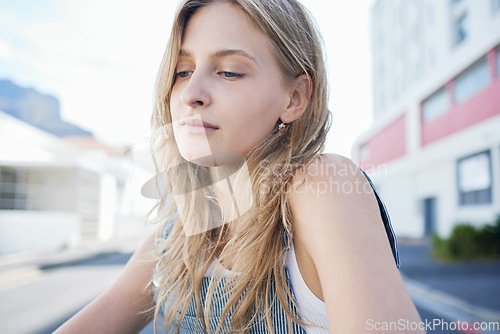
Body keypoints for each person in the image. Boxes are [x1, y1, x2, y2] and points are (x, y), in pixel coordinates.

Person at [55, 0, 424, 333]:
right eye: (182, 71)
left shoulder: (323, 184)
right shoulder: (173, 239)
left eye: (229, 71)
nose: (190, 93)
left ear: (294, 98)